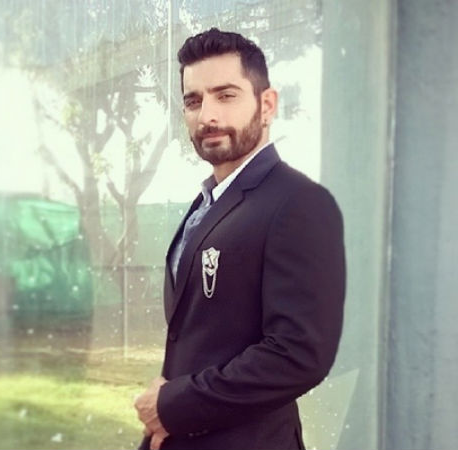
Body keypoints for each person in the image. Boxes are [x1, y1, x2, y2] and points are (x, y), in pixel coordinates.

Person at [133, 28, 345, 450]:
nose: (207, 116)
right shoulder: (206, 202)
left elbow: (297, 355)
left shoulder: (299, 202)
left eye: (226, 95)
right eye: (194, 100)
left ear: (267, 105)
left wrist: (174, 404)